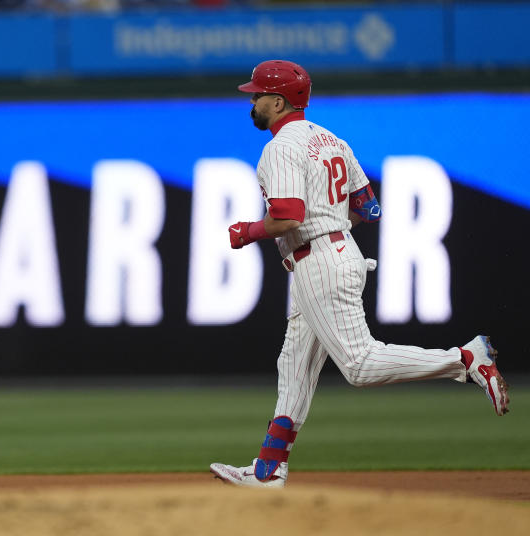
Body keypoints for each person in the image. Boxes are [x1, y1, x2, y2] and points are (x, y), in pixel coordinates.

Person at [210, 59, 510, 488]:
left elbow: (289, 217)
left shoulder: (280, 148)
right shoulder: (332, 140)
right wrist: (330, 209)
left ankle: (465, 360)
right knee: (293, 366)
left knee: (359, 364)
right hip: (335, 253)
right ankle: (269, 470)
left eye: (257, 95)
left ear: (277, 102)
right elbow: (370, 208)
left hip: (319, 261)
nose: (252, 100)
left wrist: (247, 232)